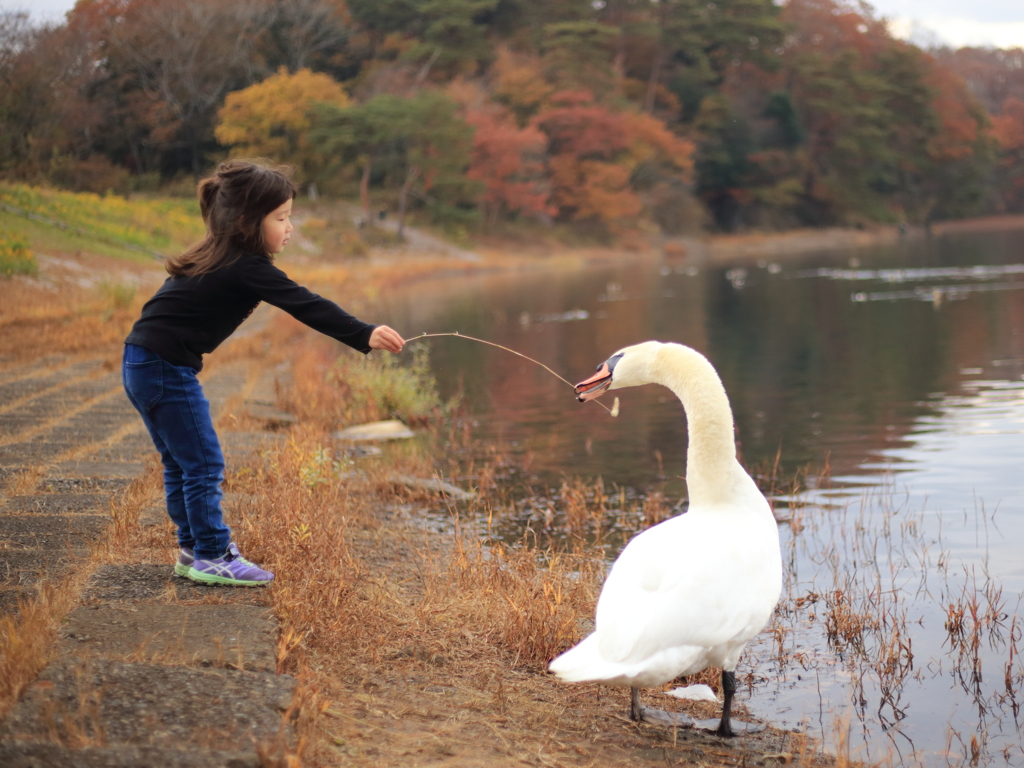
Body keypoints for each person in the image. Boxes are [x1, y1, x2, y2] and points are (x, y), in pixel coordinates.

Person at [122, 160, 405, 587]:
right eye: (281, 218)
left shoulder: (224, 256)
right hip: (161, 366)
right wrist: (363, 333)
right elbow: (305, 303)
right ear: (245, 222)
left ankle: (192, 549)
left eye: (289, 216)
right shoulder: (246, 266)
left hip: (142, 361)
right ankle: (213, 554)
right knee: (203, 464)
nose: (289, 227)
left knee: (181, 464)